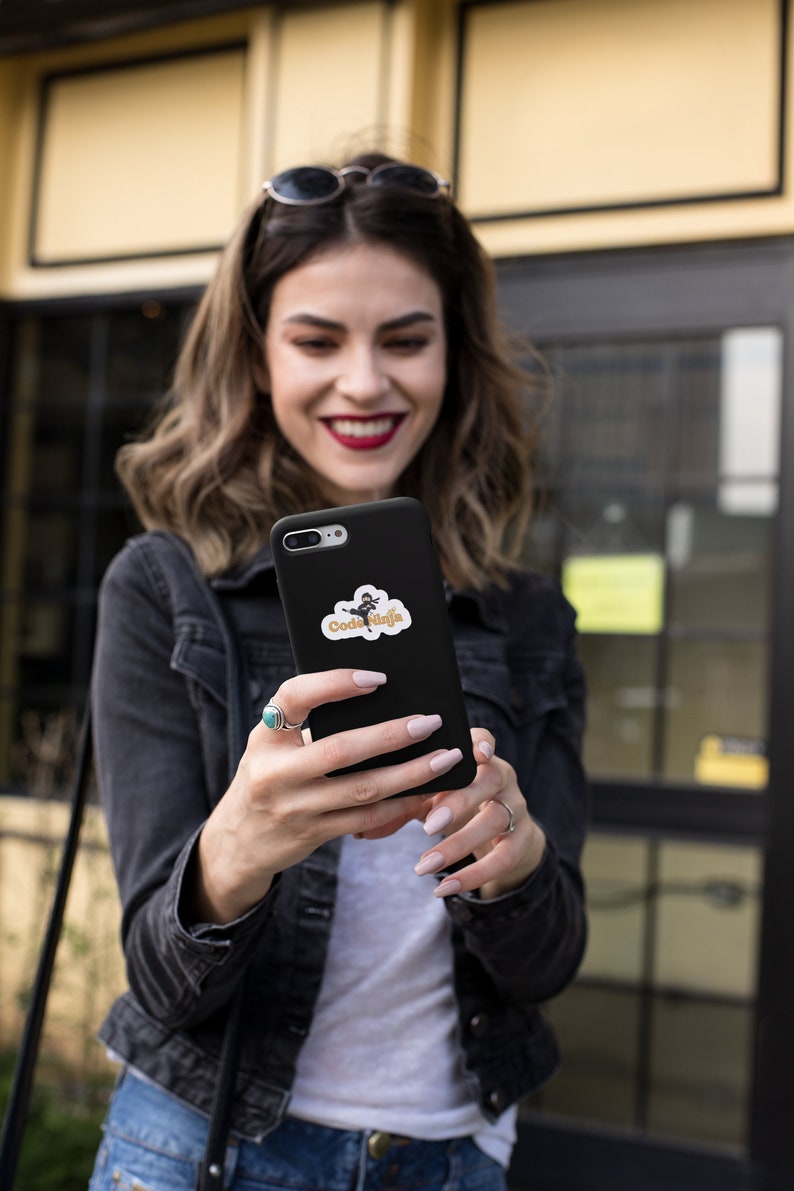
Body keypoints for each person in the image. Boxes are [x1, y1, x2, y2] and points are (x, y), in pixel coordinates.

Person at [87, 152, 589, 1191]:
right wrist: (237, 849)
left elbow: (547, 965)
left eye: (405, 339)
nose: (364, 383)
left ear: (454, 353)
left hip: (450, 1158)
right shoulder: (167, 588)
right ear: (257, 356)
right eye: (316, 340)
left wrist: (517, 861)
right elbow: (160, 979)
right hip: (203, 1149)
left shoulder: (529, 616)